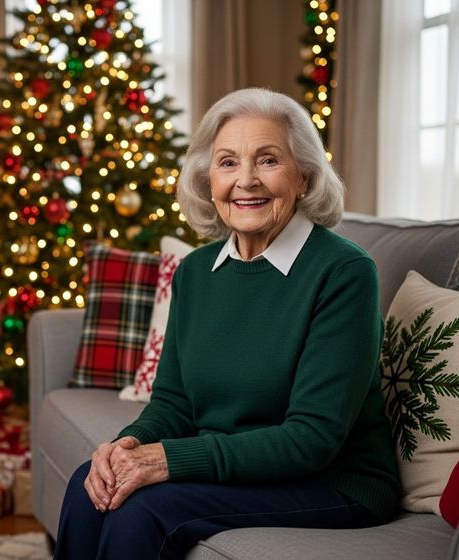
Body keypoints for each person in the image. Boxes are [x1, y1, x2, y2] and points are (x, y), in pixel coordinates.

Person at [54, 88, 401, 559]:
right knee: (89, 486)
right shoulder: (195, 272)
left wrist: (168, 460)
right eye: (228, 162)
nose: (246, 180)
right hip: (236, 465)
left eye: (268, 160)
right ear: (209, 179)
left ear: (304, 176)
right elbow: (174, 403)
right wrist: (127, 447)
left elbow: (312, 439)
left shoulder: (344, 272)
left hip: (333, 480)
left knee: (142, 510)